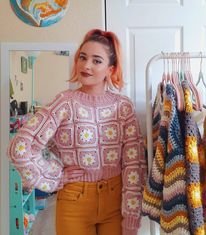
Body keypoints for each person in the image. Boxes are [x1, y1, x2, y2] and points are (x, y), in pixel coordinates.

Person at [8, 29, 147, 235]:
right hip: (74, 201)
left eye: (96, 60)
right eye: (83, 57)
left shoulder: (123, 107)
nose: (86, 65)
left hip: (116, 201)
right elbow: (19, 148)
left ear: (111, 69)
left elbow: (133, 166)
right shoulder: (64, 102)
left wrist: (131, 218)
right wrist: (54, 176)